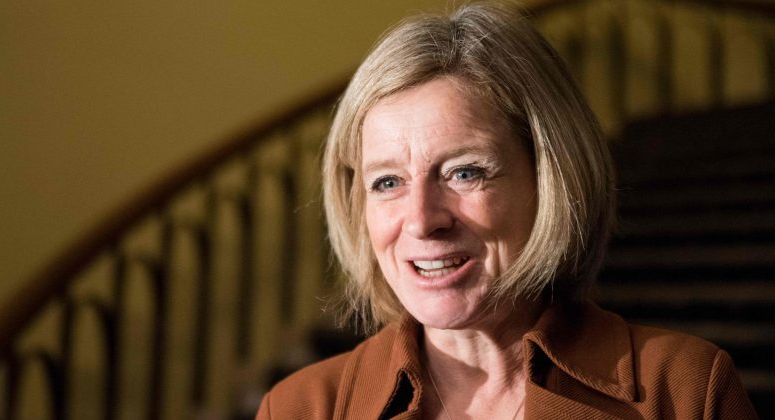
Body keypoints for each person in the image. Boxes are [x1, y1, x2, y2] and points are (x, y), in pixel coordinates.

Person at [256, 2, 758, 419]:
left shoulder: (685, 390)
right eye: (388, 182)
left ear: (551, 179)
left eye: (464, 172)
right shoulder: (298, 408)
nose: (422, 220)